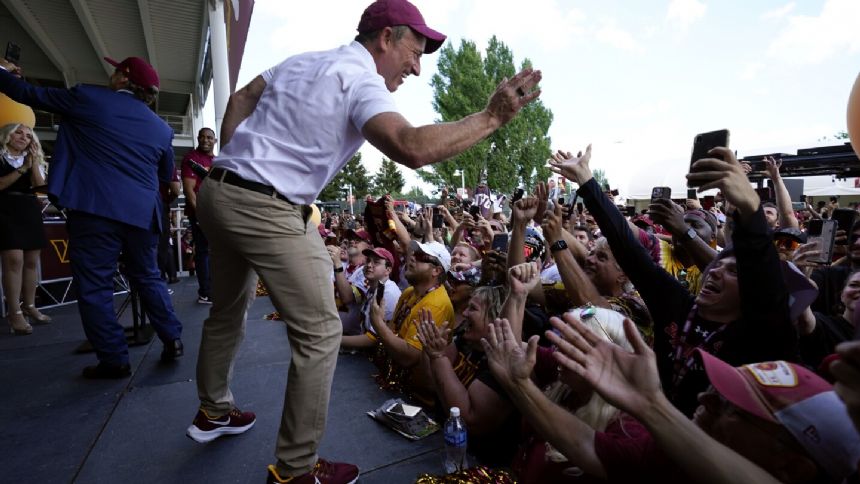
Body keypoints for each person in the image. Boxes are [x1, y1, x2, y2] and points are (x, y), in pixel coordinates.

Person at [186, 0, 542, 481]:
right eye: (414, 52)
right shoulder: (361, 80)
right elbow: (411, 148)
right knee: (321, 334)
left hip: (219, 193)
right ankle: (296, 470)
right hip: (269, 206)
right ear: (386, 39)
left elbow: (243, 97)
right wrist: (493, 117)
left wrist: (234, 158)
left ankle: (213, 410)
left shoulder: (302, 62)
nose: (416, 68)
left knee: (226, 310)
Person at [549, 144, 797, 416]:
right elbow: (627, 247)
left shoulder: (759, 337)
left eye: (733, 271)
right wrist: (586, 180)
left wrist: (750, 209)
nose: (714, 271)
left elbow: (767, 281)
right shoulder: (679, 306)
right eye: (717, 265)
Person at [0, 56, 184, 378]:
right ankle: (173, 339)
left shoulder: (88, 98)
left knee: (96, 286)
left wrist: (4, 72)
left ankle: (114, 360)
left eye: (116, 70)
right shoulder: (161, 128)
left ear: (124, 79)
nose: (111, 74)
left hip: (96, 209)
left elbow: (27, 94)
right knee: (148, 277)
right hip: (143, 214)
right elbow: (168, 176)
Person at [542, 313, 860, 484]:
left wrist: (651, 405)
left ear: (793, 468)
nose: (703, 400)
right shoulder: (669, 461)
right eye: (715, 391)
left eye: (730, 406)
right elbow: (592, 447)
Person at [0, 123, 49, 335]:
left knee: (31, 262)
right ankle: (14, 313)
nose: (24, 137)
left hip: (29, 208)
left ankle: (30, 307)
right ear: (7, 135)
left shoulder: (31, 160)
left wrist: (33, 163)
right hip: (4, 209)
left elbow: (39, 186)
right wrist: (22, 168)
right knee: (14, 260)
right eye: (18, 132)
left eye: (29, 136)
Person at [340, 247, 401, 349]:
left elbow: (373, 339)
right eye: (368, 260)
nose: (369, 265)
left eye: (376, 262)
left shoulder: (389, 292)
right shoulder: (375, 287)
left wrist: (336, 340)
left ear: (388, 270)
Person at [181, 127, 217, 303]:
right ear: (197, 138)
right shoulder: (191, 158)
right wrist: (201, 214)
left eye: (209, 137)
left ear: (214, 141)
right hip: (201, 214)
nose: (205, 140)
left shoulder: (217, 161)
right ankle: (205, 292)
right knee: (203, 252)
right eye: (202, 137)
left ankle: (215, 288)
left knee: (216, 252)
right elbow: (189, 191)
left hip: (217, 214)